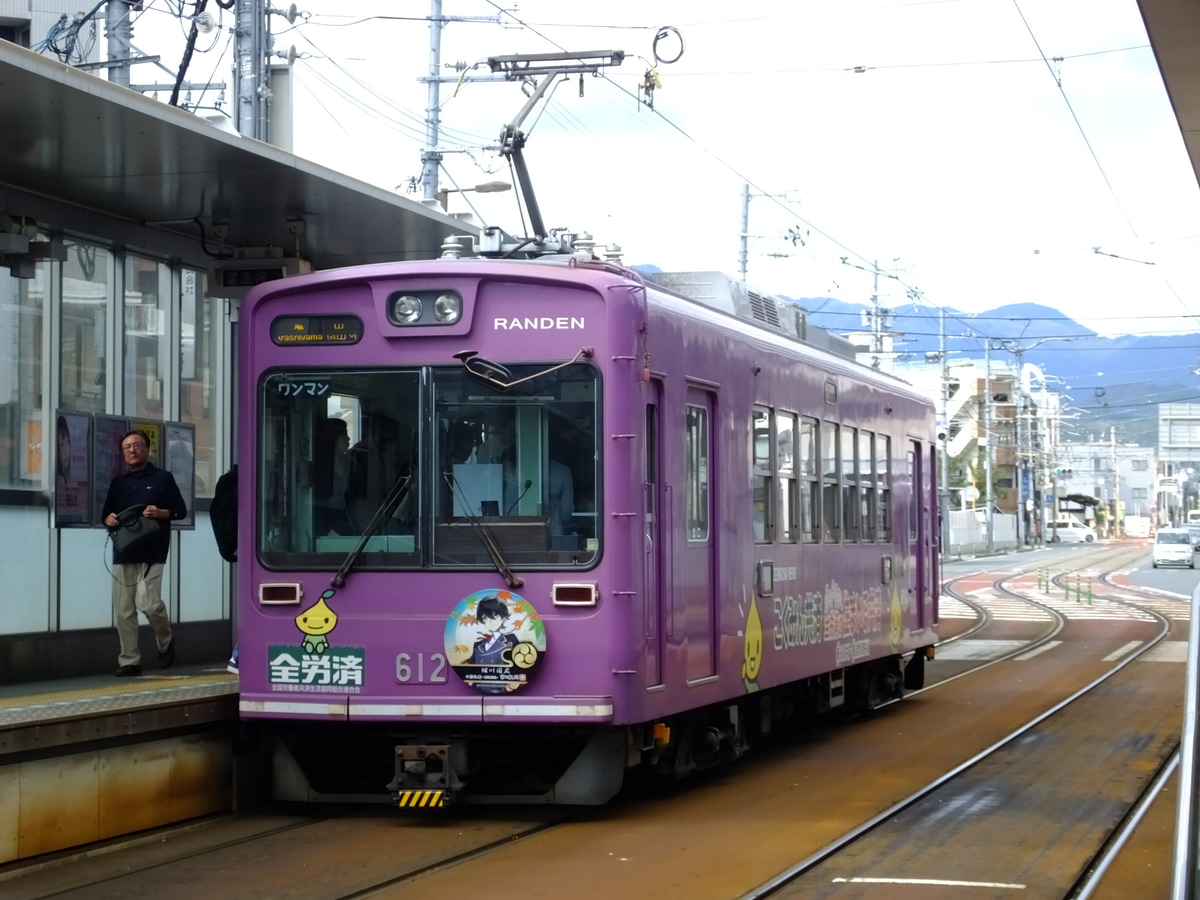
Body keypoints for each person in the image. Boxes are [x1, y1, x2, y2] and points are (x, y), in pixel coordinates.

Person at [101, 429, 187, 677]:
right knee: (124, 609)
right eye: (127, 447)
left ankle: (165, 639)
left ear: (147, 449)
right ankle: (130, 661)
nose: (132, 450)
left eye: (137, 445)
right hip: (124, 551)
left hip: (153, 551)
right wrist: (108, 518)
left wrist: (161, 513)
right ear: (122, 453)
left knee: (148, 603)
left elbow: (180, 510)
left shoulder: (163, 478)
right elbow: (106, 514)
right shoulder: (118, 483)